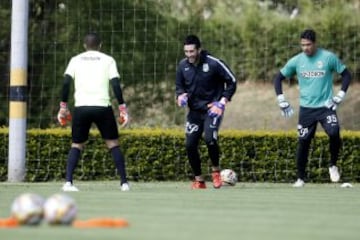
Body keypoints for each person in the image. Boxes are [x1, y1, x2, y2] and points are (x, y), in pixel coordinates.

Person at [273, 29, 352, 187]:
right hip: (306, 110)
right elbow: (278, 78)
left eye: (308, 45)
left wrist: (340, 96)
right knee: (303, 142)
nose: (305, 48)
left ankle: (332, 165)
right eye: (302, 45)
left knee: (334, 132)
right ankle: (300, 178)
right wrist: (281, 100)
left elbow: (347, 74)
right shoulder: (296, 61)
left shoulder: (328, 57)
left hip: (326, 107)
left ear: (315, 43)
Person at [57, 32, 130, 191]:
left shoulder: (75, 60)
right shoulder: (108, 60)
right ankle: (124, 183)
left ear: (85, 46)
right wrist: (122, 107)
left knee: (77, 144)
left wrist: (63, 106)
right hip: (102, 107)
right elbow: (116, 85)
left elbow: (66, 83)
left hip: (81, 107)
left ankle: (68, 182)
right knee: (113, 144)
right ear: (100, 45)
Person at [175, 35, 237, 189]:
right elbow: (179, 86)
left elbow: (232, 81)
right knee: (190, 145)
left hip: (212, 110)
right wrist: (180, 96)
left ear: (199, 50)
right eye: (186, 51)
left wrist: (221, 103)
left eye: (192, 51)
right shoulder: (182, 66)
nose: (189, 55)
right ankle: (199, 181)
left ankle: (216, 172)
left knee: (210, 139)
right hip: (194, 112)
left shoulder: (214, 63)